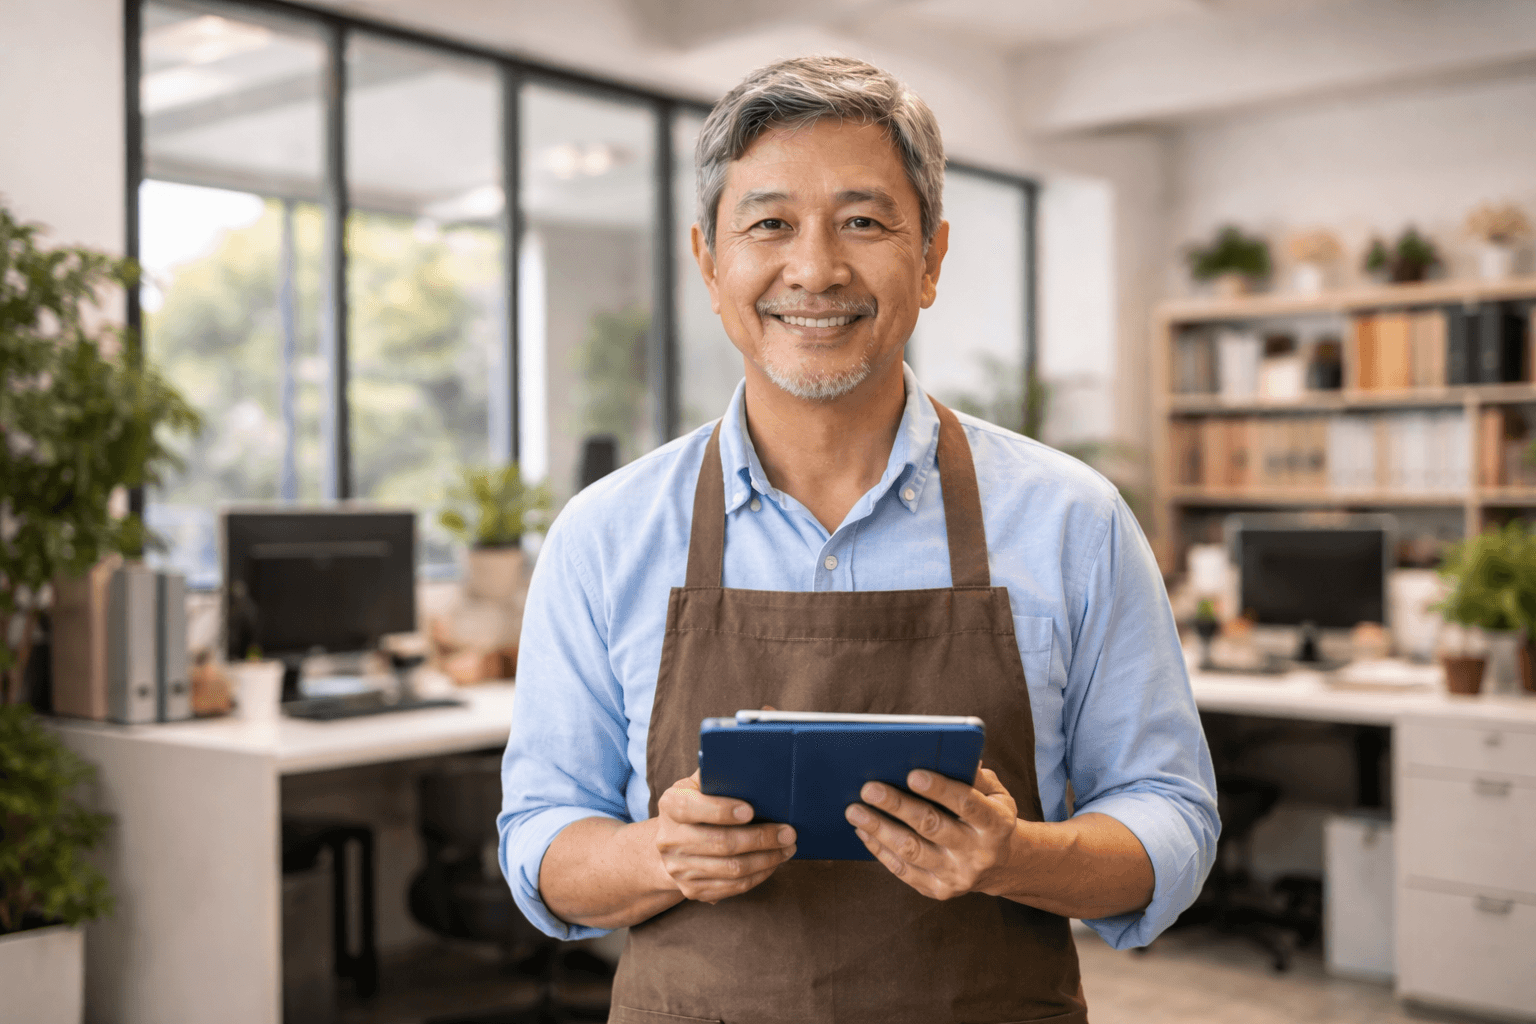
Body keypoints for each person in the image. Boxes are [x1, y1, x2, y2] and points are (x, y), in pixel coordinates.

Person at [499, 55, 1218, 1024]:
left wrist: (1017, 856)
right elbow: (540, 835)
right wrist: (655, 852)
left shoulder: (1072, 520)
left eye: (864, 221)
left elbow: (1170, 817)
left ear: (930, 258)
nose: (815, 269)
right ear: (710, 261)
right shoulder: (604, 534)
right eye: (769, 224)